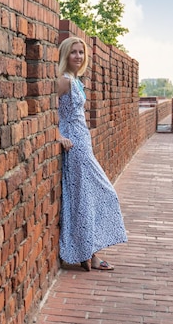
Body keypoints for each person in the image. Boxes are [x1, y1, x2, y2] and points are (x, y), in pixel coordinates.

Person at [56, 36, 127, 271]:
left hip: (83, 143)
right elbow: (47, 109)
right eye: (74, 52)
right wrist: (58, 136)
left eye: (81, 52)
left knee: (96, 195)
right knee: (87, 197)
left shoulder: (76, 81)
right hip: (74, 146)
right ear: (65, 54)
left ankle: (88, 251)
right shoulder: (63, 81)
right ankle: (89, 253)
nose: (78, 56)